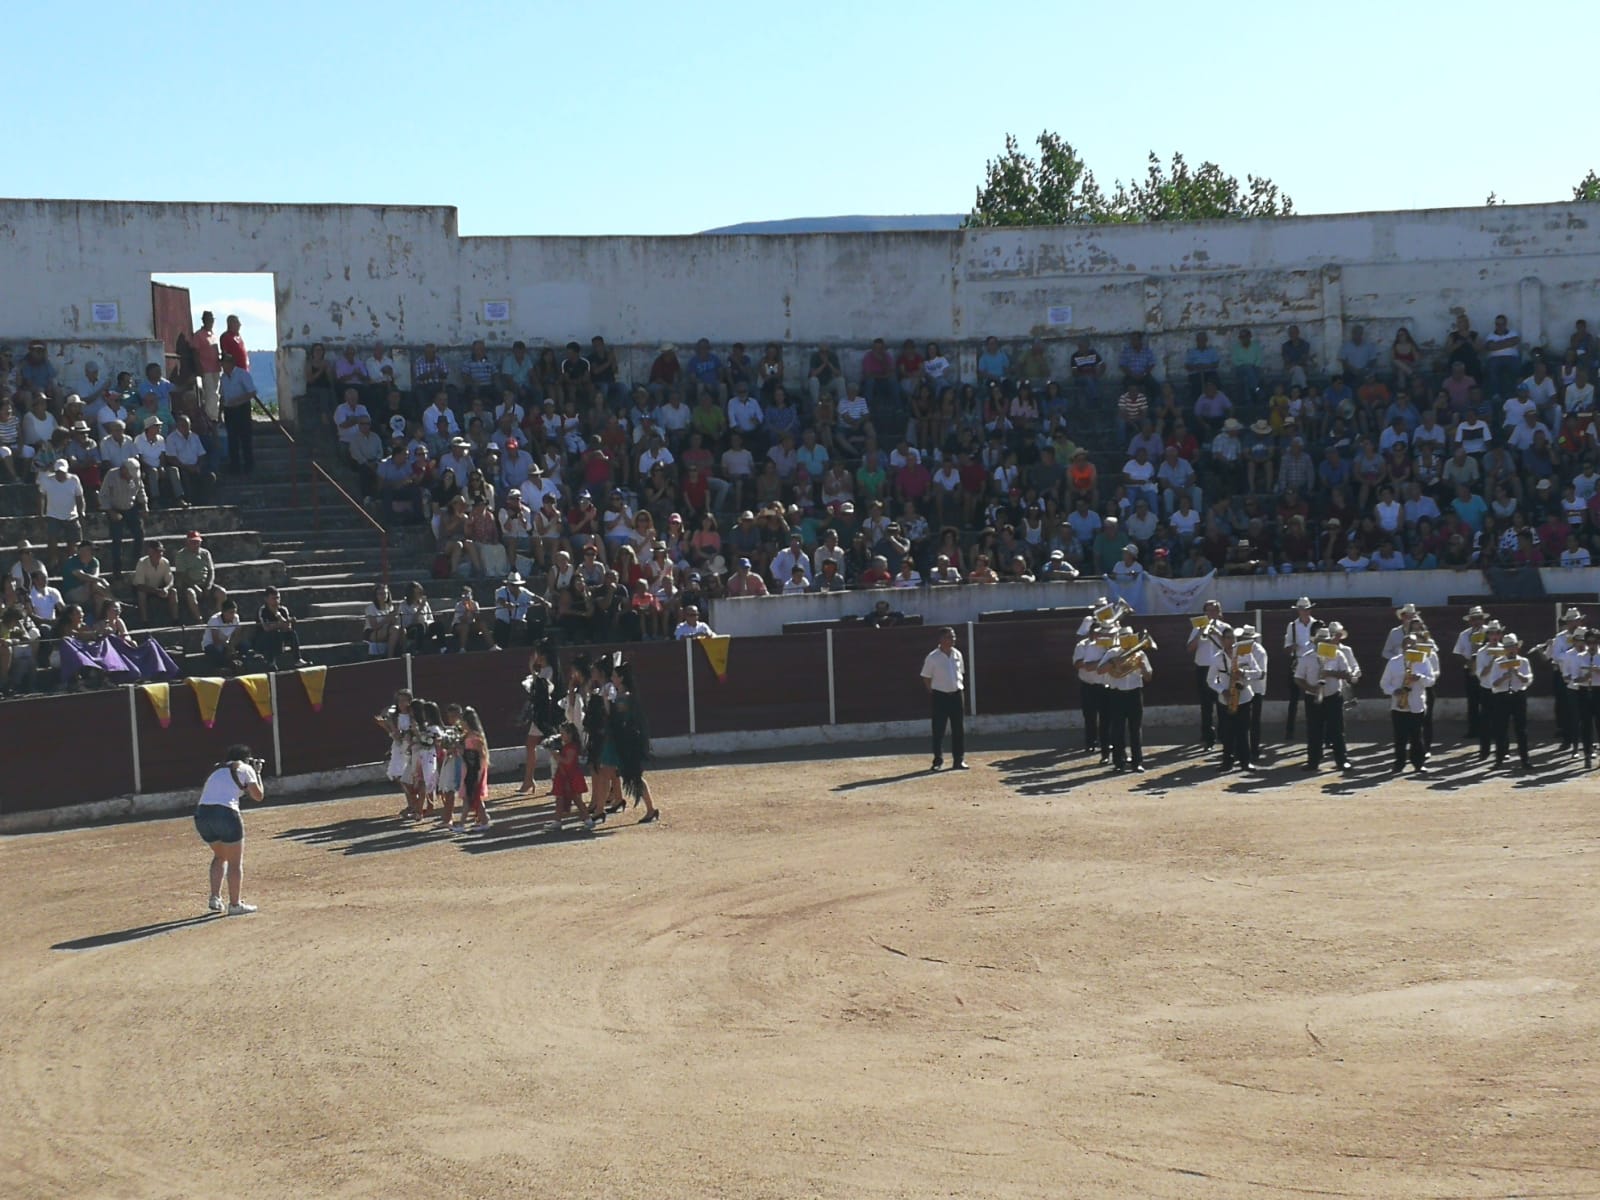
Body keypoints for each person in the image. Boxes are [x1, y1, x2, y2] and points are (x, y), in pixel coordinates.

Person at [193, 744, 264, 916]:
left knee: (220, 856)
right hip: (226, 813)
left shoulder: (217, 769)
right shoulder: (246, 768)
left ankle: (215, 898)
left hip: (202, 814)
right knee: (234, 862)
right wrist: (258, 773)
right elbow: (258, 796)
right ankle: (235, 904)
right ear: (246, 758)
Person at [594, 656, 660, 822]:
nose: (612, 678)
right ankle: (599, 810)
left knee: (629, 776)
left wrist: (606, 700)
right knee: (608, 774)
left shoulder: (625, 697)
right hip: (618, 741)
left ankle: (650, 809)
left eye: (615, 676)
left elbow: (615, 718)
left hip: (622, 742)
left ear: (621, 678)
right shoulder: (621, 695)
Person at [1296, 629, 1358, 772]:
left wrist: (1329, 673)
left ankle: (1342, 761)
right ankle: (1313, 762)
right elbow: (1298, 678)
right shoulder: (1307, 657)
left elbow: (1347, 675)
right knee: (1314, 730)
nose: (1324, 643)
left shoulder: (1338, 654)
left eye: (1326, 641)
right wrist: (1312, 689)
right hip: (1313, 697)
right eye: (1320, 641)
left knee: (1337, 730)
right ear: (1315, 642)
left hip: (1333, 696)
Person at [1207, 626, 1262, 772]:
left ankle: (1246, 762)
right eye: (1228, 638)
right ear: (1223, 640)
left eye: (1233, 638)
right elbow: (1210, 680)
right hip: (1226, 699)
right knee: (1227, 732)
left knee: (1243, 731)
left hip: (1244, 697)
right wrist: (1222, 690)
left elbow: (1258, 673)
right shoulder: (1217, 658)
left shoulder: (1246, 654)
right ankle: (1227, 762)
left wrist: (1244, 673)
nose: (1231, 641)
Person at [1382, 635, 1437, 774]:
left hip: (1416, 704)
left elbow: (1431, 681)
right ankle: (1399, 764)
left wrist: (1420, 678)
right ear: (1402, 647)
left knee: (1417, 736)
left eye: (1412, 645)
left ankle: (1418, 764)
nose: (1409, 647)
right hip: (1398, 705)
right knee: (1400, 737)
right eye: (1406, 645)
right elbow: (1384, 683)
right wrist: (1395, 691)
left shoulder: (1424, 661)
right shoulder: (1394, 662)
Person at [1098, 630, 1152, 773]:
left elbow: (1148, 677)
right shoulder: (1112, 653)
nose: (1127, 639)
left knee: (1136, 729)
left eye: (1129, 636)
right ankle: (1118, 762)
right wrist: (1113, 662)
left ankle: (1137, 762)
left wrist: (1142, 667)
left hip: (1134, 694)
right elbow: (1100, 670)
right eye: (1124, 636)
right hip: (1116, 694)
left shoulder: (1140, 654)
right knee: (1117, 729)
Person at [921, 626, 967, 771]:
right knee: (938, 729)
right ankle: (937, 761)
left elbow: (961, 673)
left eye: (953, 636)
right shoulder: (932, 657)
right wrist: (934, 691)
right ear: (941, 639)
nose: (953, 639)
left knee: (958, 728)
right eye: (949, 637)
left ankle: (959, 760)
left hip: (957, 694)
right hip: (940, 695)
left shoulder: (957, 654)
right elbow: (926, 677)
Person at [1486, 632, 1534, 770]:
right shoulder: (1498, 662)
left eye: (1512, 646)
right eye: (1507, 647)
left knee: (1521, 729)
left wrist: (1517, 673)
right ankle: (1499, 759)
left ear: (1516, 648)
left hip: (1518, 695)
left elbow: (1528, 680)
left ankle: (1525, 760)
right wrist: (1505, 676)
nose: (1510, 650)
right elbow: (1493, 683)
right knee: (1500, 728)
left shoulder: (1524, 661)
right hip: (1502, 696)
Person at [517, 640, 558, 795]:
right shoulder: (547, 670)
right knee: (537, 745)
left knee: (552, 747)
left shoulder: (549, 671)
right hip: (541, 714)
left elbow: (541, 688)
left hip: (545, 715)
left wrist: (531, 670)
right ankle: (529, 780)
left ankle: (533, 781)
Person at [1187, 600, 1225, 749]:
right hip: (1203, 668)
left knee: (1222, 702)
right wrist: (1199, 634)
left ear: (1219, 613)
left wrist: (1217, 634)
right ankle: (1208, 737)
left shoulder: (1225, 628)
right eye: (1208, 611)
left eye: (1214, 610)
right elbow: (1190, 648)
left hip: (1220, 668)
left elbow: (1231, 647)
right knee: (1206, 705)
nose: (1211, 614)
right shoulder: (1197, 628)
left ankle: (1223, 733)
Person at [1560, 626, 1600, 769]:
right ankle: (1588, 755)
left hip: (1598, 690)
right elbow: (1575, 679)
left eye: (1595, 642)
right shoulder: (1579, 657)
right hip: (1584, 691)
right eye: (1590, 642)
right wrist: (1586, 676)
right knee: (1586, 724)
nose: (1592, 645)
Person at [1281, 597, 1320, 738]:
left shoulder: (1318, 624)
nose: (1303, 612)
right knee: (1293, 699)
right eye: (1301, 609)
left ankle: (1316, 729)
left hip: (1314, 662)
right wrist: (1292, 647)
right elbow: (1286, 647)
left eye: (1306, 609)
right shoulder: (1292, 626)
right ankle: (1290, 731)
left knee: (1315, 697)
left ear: (1310, 610)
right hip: (1297, 662)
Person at [1072, 621, 1110, 759]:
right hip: (1088, 684)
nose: (1097, 635)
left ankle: (1106, 742)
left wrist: (1095, 664)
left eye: (1100, 633)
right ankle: (1091, 742)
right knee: (1089, 716)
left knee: (1106, 716)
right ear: (1090, 633)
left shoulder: (1105, 645)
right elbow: (1077, 664)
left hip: (1103, 684)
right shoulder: (1082, 646)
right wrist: (1097, 663)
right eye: (1095, 632)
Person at [547, 722, 593, 833]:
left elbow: (568, 761)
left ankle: (588, 820)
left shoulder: (572, 747)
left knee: (577, 799)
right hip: (564, 775)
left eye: (563, 733)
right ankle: (557, 821)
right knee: (559, 799)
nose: (561, 735)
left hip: (571, 776)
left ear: (570, 734)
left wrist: (556, 755)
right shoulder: (566, 746)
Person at [1452, 606, 1490, 740]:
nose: (1477, 622)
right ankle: (1473, 730)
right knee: (1473, 702)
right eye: (1474, 619)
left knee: (1488, 701)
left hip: (1487, 670)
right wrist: (1468, 662)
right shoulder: (1464, 634)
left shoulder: (1489, 632)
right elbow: (1457, 652)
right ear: (1470, 621)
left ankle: (1488, 729)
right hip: (1471, 669)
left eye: (1479, 618)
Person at [453, 706, 492, 833]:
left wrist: (478, 773)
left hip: (473, 770)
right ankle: (483, 819)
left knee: (470, 797)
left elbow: (482, 755)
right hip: (468, 768)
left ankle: (463, 823)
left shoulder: (475, 737)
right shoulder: (468, 736)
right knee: (472, 797)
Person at [218, 352, 258, 474]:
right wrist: (220, 412)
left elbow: (252, 392)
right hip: (229, 410)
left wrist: (238, 401)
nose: (222, 366)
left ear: (230, 363)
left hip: (241, 409)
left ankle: (249, 466)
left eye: (224, 363)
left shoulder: (242, 374)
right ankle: (235, 467)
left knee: (245, 438)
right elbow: (222, 395)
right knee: (232, 439)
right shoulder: (223, 378)